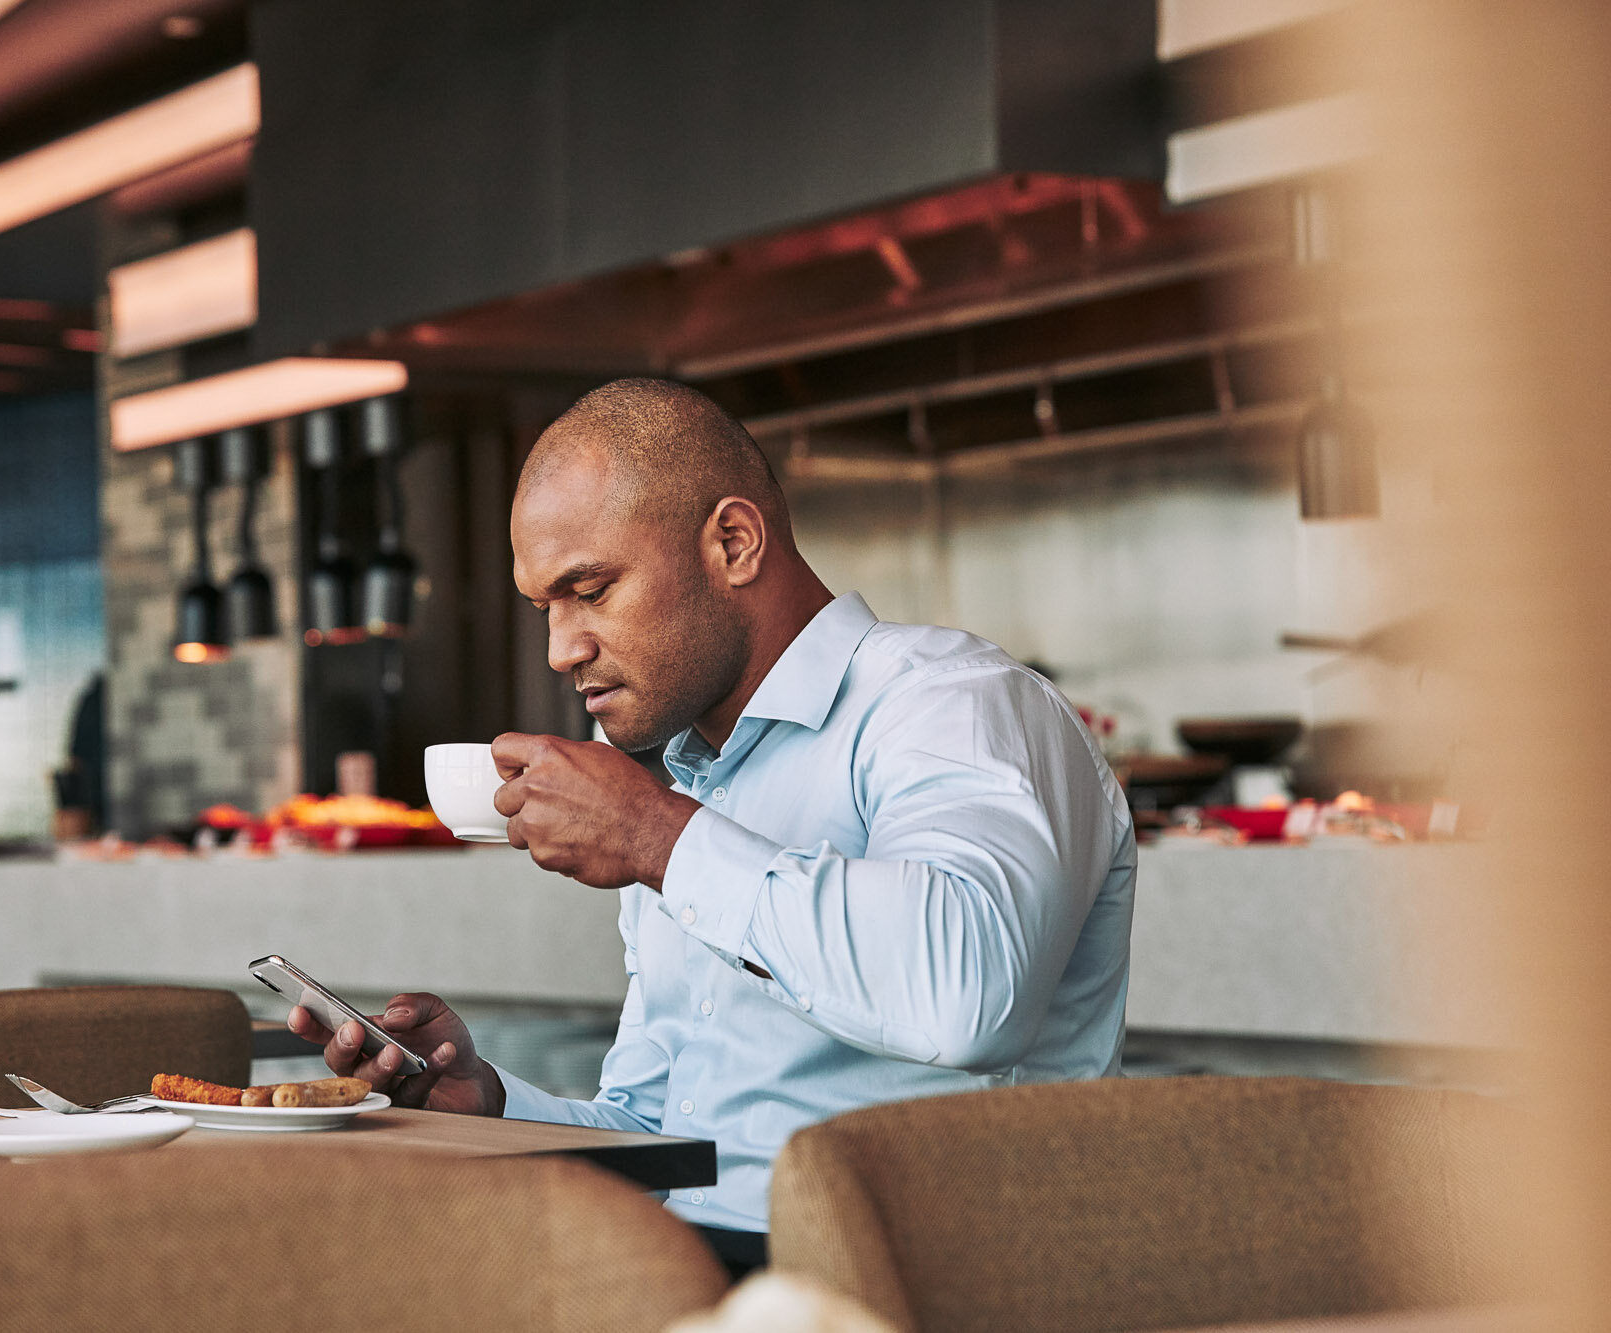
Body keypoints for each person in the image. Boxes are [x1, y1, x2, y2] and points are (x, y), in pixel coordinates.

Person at [288, 378, 1136, 1274]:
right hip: (697, 1273)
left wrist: (661, 839)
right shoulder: (690, 788)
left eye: (591, 590)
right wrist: (489, 1105)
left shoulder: (952, 702)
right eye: (547, 607)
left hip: (918, 1285)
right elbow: (664, 1141)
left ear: (733, 542)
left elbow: (968, 995)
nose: (560, 649)